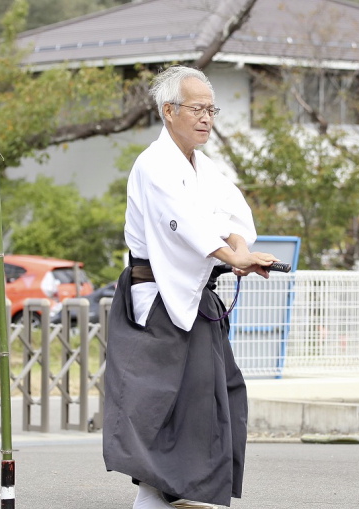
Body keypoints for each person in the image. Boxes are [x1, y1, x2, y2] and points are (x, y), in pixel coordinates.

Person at [102, 65, 278, 509]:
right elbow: (181, 223)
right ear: (169, 110)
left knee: (211, 394)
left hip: (195, 295)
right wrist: (233, 257)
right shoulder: (153, 164)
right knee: (158, 398)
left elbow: (234, 218)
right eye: (197, 108)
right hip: (157, 296)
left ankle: (180, 493)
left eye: (211, 110)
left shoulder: (206, 168)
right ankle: (160, 494)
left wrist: (240, 249)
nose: (206, 118)